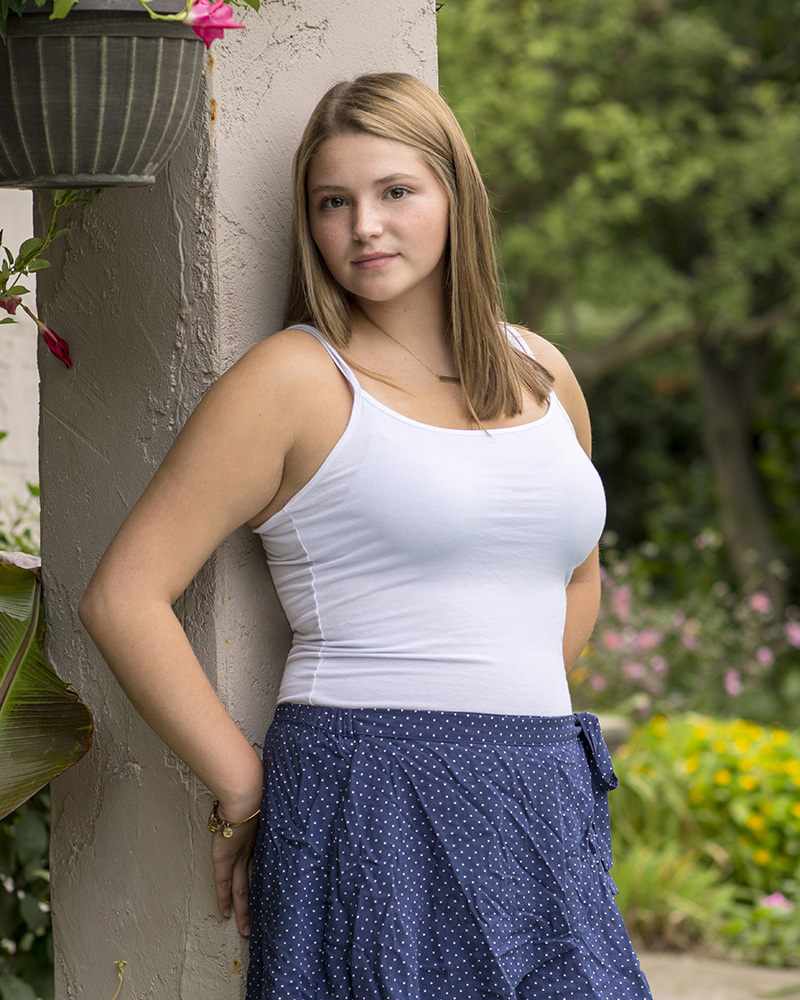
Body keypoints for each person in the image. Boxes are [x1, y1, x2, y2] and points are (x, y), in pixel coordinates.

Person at [80, 72, 653, 1000]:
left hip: (545, 786)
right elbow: (122, 596)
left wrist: (507, 720)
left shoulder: (540, 369)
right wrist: (244, 784)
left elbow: (576, 574)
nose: (364, 228)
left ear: (455, 196)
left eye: (395, 192)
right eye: (332, 203)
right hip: (370, 790)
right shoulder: (295, 381)